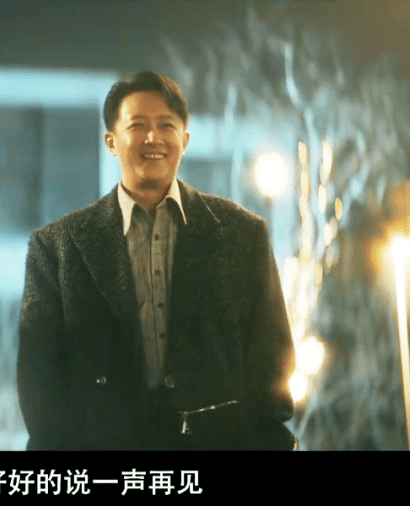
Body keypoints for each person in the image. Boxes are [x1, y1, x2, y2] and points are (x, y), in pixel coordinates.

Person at [17, 71, 297, 450]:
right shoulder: (55, 248)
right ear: (111, 141)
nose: (153, 138)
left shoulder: (242, 234)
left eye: (167, 125)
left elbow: (272, 363)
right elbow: (38, 382)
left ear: (185, 140)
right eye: (138, 125)